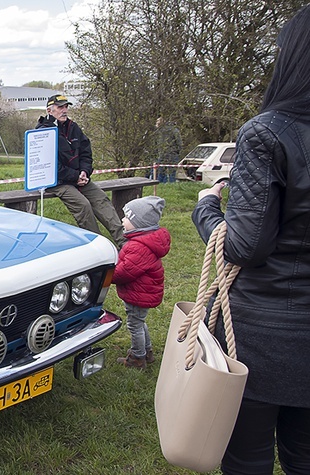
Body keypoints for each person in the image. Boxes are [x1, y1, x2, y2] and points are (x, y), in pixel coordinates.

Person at [192, 6, 310, 474]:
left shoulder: (268, 133)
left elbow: (244, 246)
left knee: (247, 458)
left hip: (265, 338)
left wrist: (206, 205)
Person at [36, 94, 125, 247]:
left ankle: (125, 243)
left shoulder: (73, 128)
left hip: (79, 178)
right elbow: (48, 166)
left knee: (101, 199)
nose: (64, 110)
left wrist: (84, 172)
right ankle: (99, 246)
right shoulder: (42, 133)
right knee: (83, 205)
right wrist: (75, 176)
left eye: (66, 107)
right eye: (60, 107)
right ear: (49, 110)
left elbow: (86, 153)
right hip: (57, 181)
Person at [112, 196, 170, 369]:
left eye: (127, 217)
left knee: (134, 324)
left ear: (139, 223)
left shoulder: (139, 247)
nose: (122, 219)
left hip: (139, 294)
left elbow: (124, 272)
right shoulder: (143, 241)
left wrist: (107, 275)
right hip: (141, 292)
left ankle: (137, 358)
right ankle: (147, 351)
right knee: (139, 321)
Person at [153, 117, 182, 183]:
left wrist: (156, 153)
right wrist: (178, 151)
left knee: (161, 173)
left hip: (161, 154)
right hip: (173, 153)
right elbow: (179, 143)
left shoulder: (158, 131)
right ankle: (171, 186)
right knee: (172, 173)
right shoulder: (174, 130)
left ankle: (159, 186)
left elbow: (155, 143)